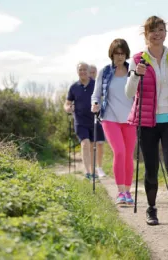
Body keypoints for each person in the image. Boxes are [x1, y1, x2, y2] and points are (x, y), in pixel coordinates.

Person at [125, 15, 168, 231]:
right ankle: (152, 208)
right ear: (146, 35)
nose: (157, 34)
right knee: (152, 169)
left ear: (165, 33)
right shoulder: (138, 60)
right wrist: (136, 75)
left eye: (161, 29)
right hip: (147, 122)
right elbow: (129, 93)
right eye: (152, 30)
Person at [91, 39, 136, 205]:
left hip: (130, 119)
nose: (120, 56)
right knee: (119, 152)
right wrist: (94, 104)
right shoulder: (105, 72)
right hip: (110, 118)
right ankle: (120, 192)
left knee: (128, 155)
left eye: (122, 53)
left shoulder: (133, 71)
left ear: (126, 54)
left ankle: (128, 191)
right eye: (117, 53)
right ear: (112, 54)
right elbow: (96, 95)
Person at [64, 62, 106, 180]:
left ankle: (93, 172)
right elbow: (67, 103)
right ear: (78, 72)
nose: (82, 72)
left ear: (88, 72)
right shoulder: (74, 87)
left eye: (84, 70)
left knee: (93, 145)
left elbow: (103, 97)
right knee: (85, 143)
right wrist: (68, 108)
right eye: (80, 70)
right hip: (80, 121)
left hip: (94, 120)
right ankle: (88, 172)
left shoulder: (95, 85)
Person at [89, 63, 106, 174]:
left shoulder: (100, 84)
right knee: (91, 144)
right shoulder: (85, 84)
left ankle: (99, 167)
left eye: (94, 72)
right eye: (90, 72)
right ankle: (92, 167)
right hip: (88, 118)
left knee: (100, 143)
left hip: (100, 117)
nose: (92, 74)